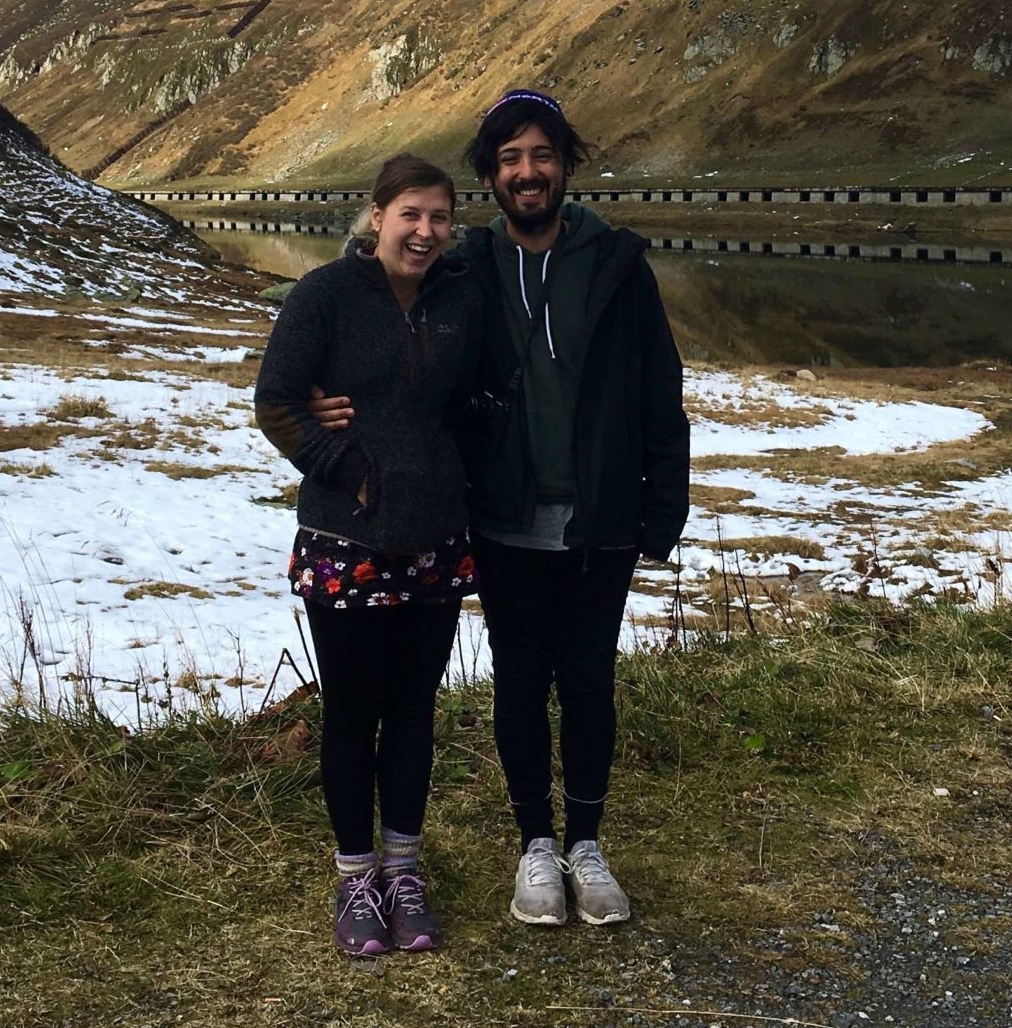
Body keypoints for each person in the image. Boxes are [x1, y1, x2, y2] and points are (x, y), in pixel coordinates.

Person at [313, 90, 689, 928]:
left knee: (590, 681)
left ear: (565, 166)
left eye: (543, 155)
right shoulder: (465, 265)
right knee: (519, 682)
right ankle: (534, 846)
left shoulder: (619, 264)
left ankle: (586, 845)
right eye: (511, 159)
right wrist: (316, 391)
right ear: (491, 176)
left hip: (601, 518)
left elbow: (660, 391)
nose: (528, 172)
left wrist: (664, 505)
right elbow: (376, 297)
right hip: (502, 517)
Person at [254, 153, 481, 959]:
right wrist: (346, 468)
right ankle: (356, 877)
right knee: (355, 712)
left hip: (437, 541)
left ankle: (404, 870)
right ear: (376, 216)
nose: (425, 232)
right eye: (410, 214)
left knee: (415, 711)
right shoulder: (324, 295)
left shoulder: (461, 298)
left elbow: (475, 393)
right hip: (346, 540)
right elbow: (275, 402)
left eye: (440, 217)